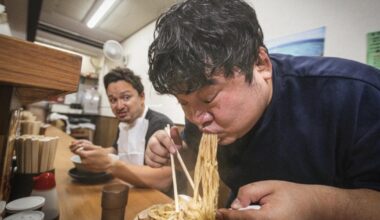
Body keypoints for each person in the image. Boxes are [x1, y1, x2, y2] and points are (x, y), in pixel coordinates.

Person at [144, 0, 380, 219]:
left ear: (260, 64)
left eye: (209, 98)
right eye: (183, 102)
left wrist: (316, 203)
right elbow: (193, 163)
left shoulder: (358, 95)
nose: (197, 119)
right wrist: (177, 154)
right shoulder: (200, 117)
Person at [70, 67, 173, 193]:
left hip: (154, 199)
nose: (119, 106)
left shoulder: (160, 124)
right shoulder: (123, 123)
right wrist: (94, 151)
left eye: (126, 97)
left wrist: (109, 164)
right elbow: (116, 149)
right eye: (113, 100)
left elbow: (165, 179)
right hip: (128, 189)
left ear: (142, 97)